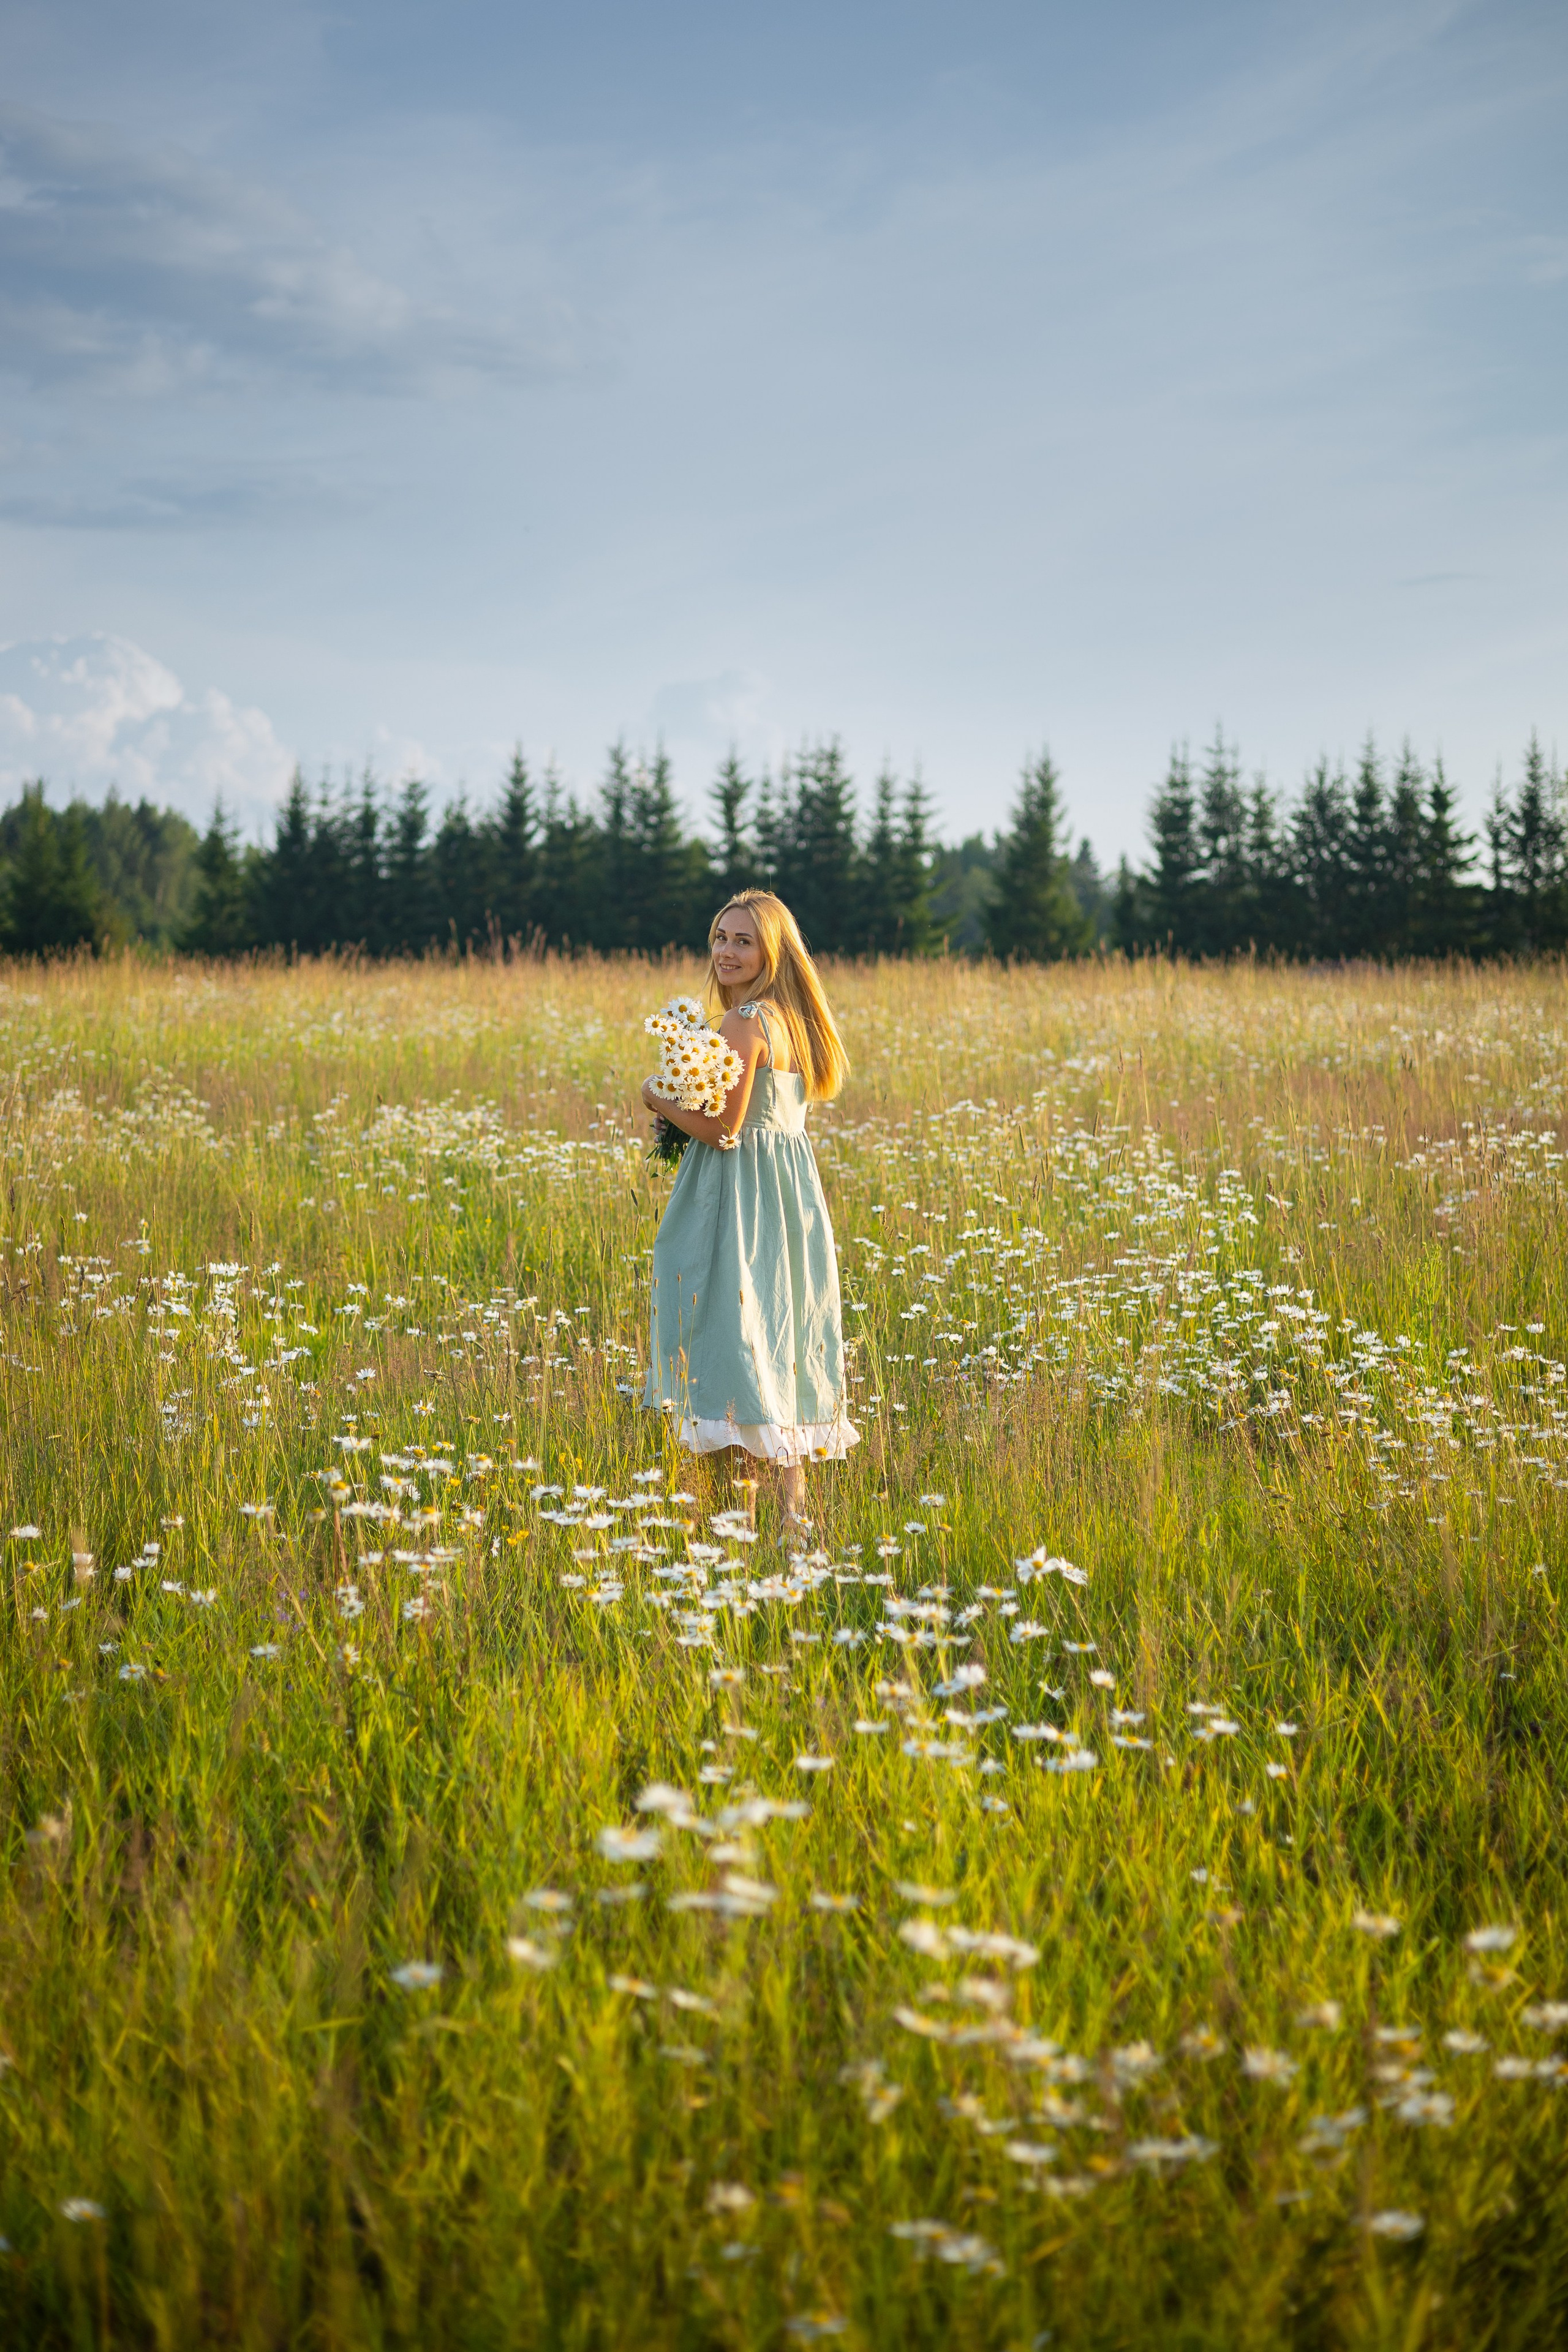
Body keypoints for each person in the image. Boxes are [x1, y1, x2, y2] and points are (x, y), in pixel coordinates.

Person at [641, 890, 858, 1523]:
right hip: (787, 1203)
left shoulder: (743, 1022)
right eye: (719, 937)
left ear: (771, 951)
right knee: (774, 1335)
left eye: (742, 941)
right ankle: (791, 1520)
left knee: (724, 1340)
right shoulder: (792, 1022)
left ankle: (727, 1517)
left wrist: (657, 1096)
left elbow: (727, 1131)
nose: (725, 951)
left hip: (735, 1199)